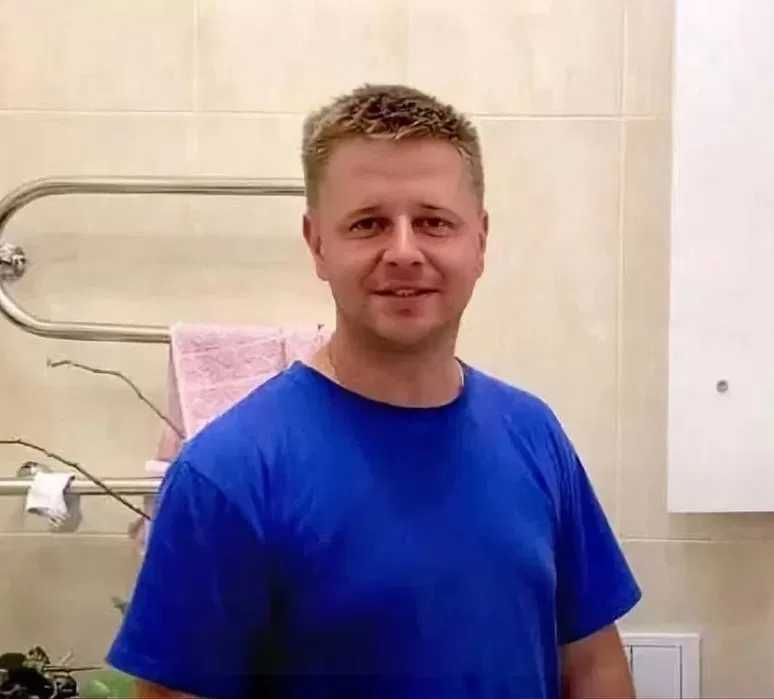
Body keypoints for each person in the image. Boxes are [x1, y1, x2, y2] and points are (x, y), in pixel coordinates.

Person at [107, 84, 641, 699]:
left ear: (480, 241)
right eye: (369, 224)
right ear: (317, 244)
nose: (404, 252)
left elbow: (593, 665)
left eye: (434, 222)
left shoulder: (534, 434)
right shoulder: (227, 476)